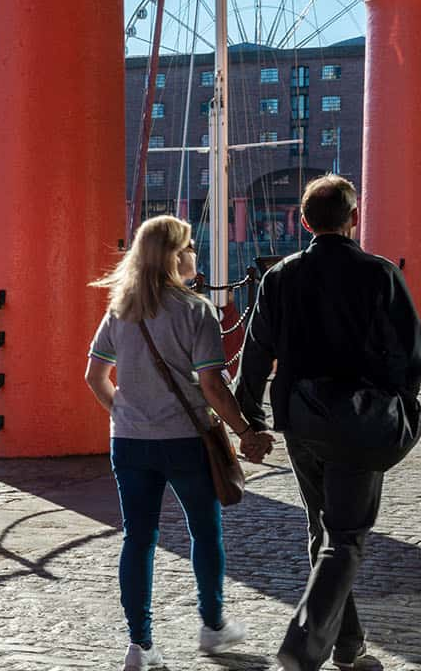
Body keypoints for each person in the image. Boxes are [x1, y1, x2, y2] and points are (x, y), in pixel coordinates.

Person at [234, 174, 421, 671]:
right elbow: (409, 355)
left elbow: (255, 354)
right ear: (354, 217)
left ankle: (349, 645)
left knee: (325, 531)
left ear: (303, 221)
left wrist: (249, 420)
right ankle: (300, 652)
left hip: (300, 420)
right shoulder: (379, 275)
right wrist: (401, 407)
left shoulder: (280, 277)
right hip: (362, 420)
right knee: (345, 536)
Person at [85, 215, 273, 670]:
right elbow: (212, 385)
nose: (195, 254)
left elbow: (94, 376)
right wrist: (247, 432)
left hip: (129, 442)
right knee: (204, 531)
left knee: (138, 538)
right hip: (186, 440)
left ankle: (140, 645)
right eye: (189, 247)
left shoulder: (120, 308)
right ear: (173, 256)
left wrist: (125, 413)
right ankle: (212, 626)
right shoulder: (196, 310)